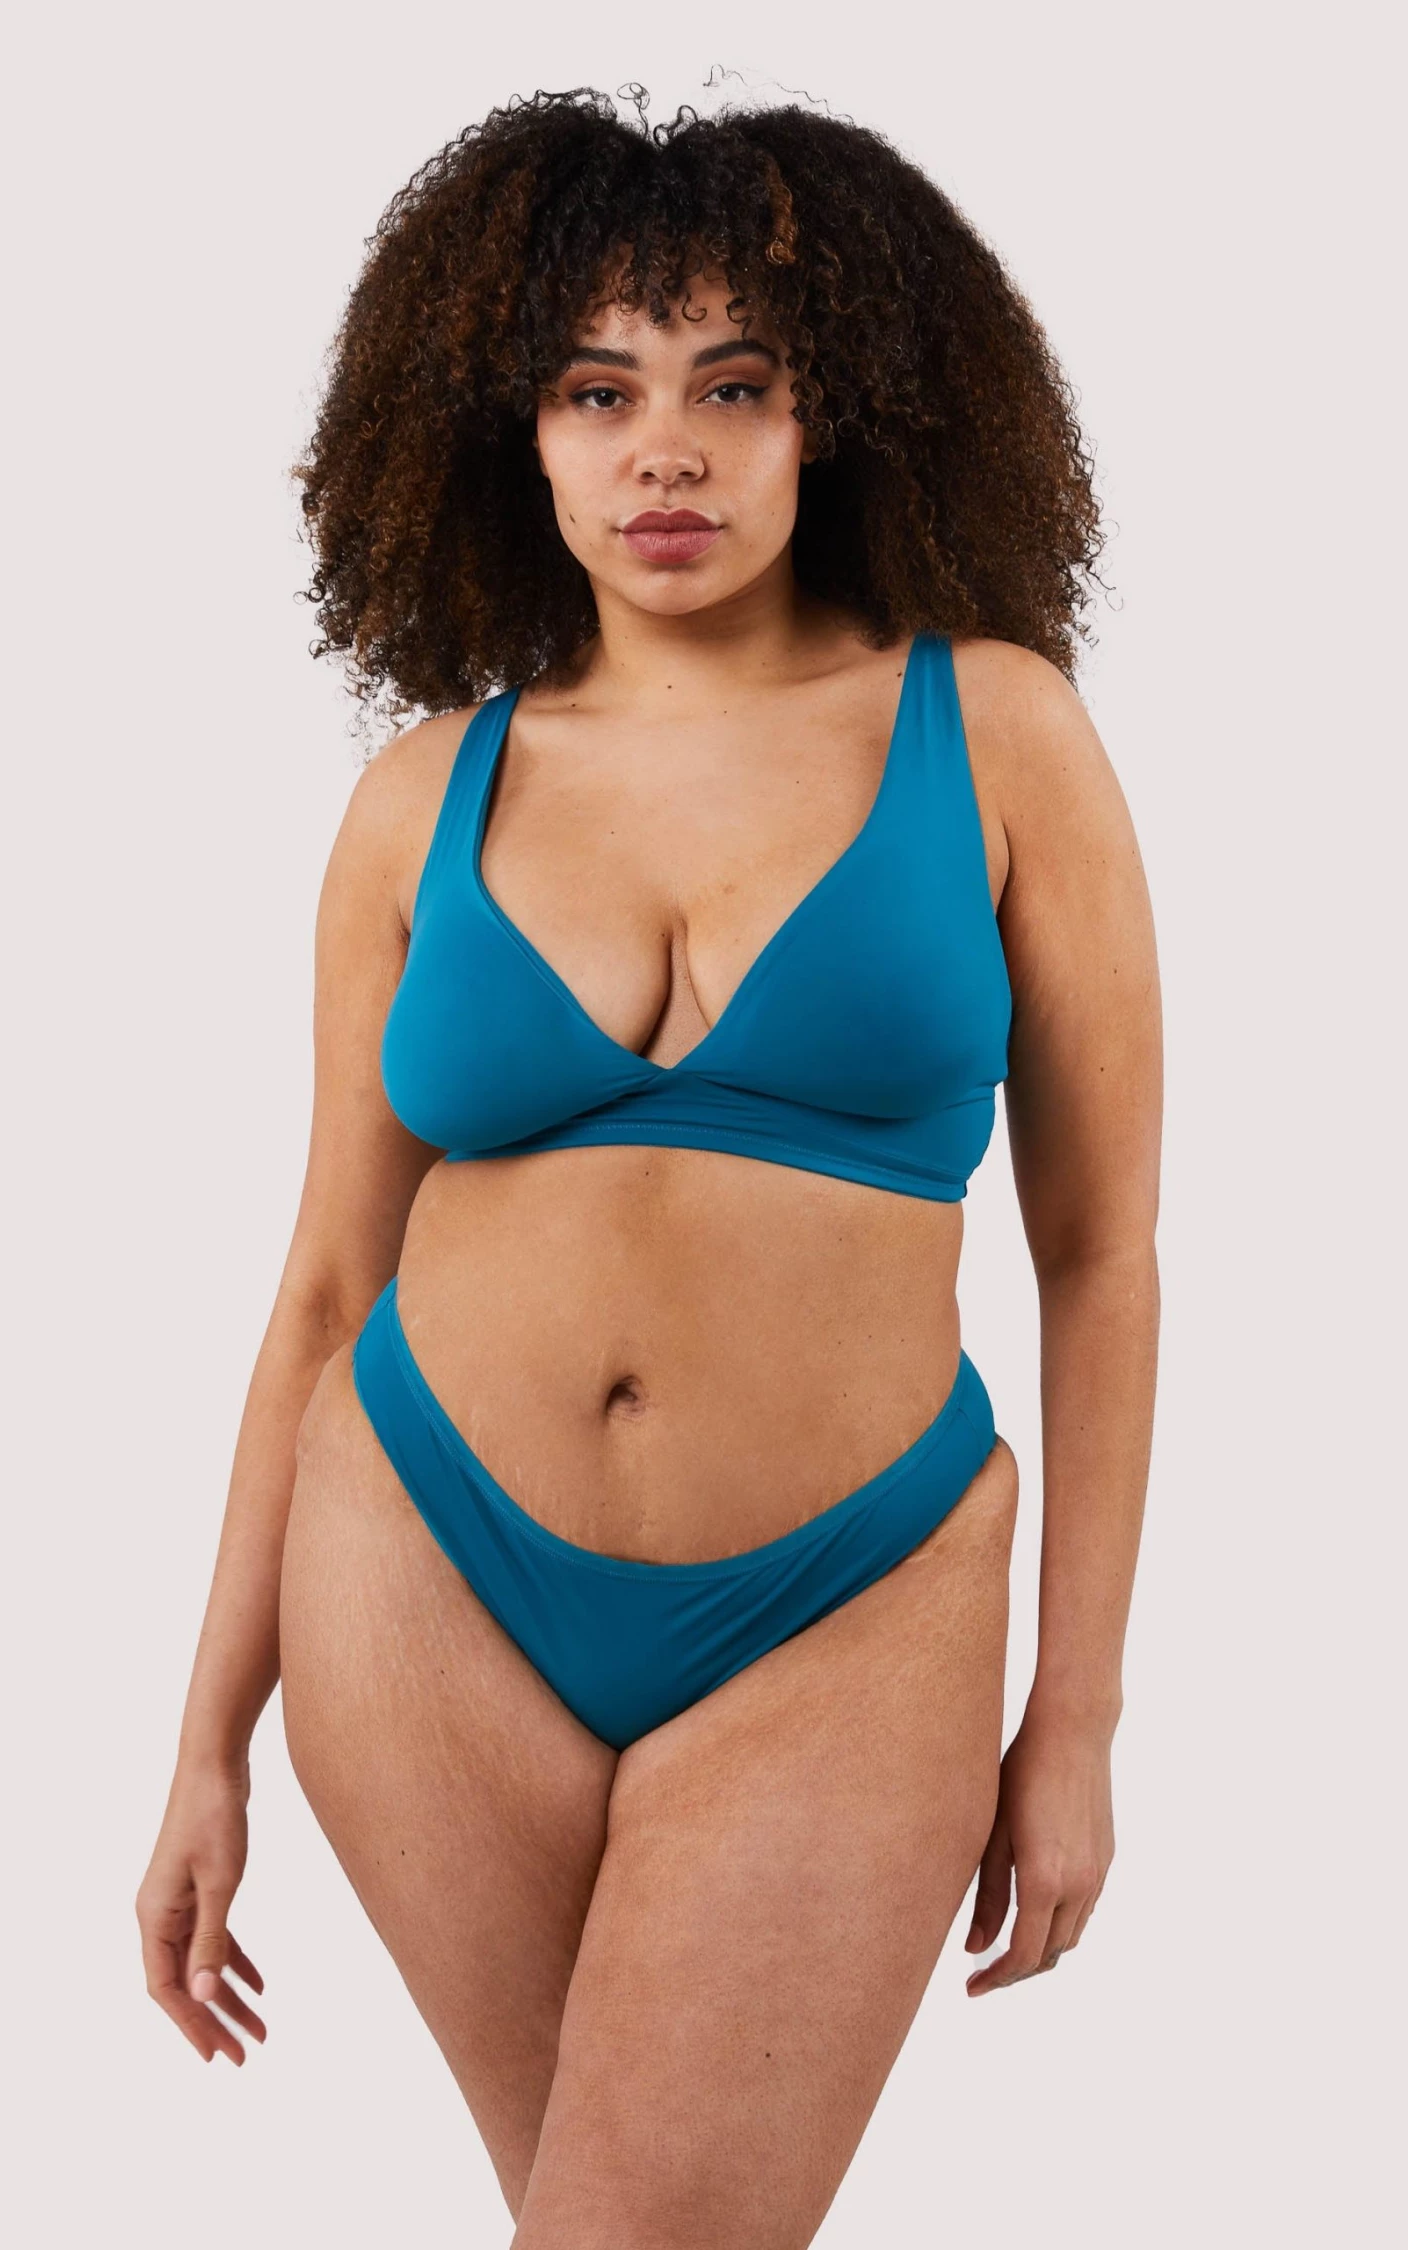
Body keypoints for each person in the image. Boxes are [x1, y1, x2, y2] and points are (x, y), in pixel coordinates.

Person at [137, 86, 1162, 2244]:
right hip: (419, 1567)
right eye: (599, 393)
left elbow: (1100, 1253)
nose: (663, 453)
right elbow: (322, 1284)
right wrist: (206, 1737)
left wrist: (1073, 1716)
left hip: (851, 1598)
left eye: (734, 387)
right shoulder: (422, 797)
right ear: (514, 434)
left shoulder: (998, 735)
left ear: (836, 417)